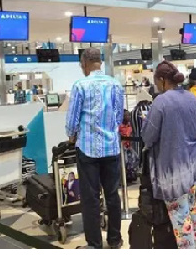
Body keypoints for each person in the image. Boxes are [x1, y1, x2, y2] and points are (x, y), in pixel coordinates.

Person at [141, 61, 196, 249]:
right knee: (191, 208)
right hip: (193, 163)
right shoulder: (191, 97)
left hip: (173, 168)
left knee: (179, 216)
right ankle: (194, 246)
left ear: (162, 80)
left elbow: (148, 136)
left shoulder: (161, 102)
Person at [65, 48, 124, 249]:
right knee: (112, 195)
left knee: (90, 198)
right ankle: (115, 240)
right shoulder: (115, 84)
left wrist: (71, 135)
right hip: (112, 149)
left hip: (88, 150)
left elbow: (72, 119)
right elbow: (118, 116)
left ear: (85, 63)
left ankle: (94, 244)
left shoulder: (80, 85)